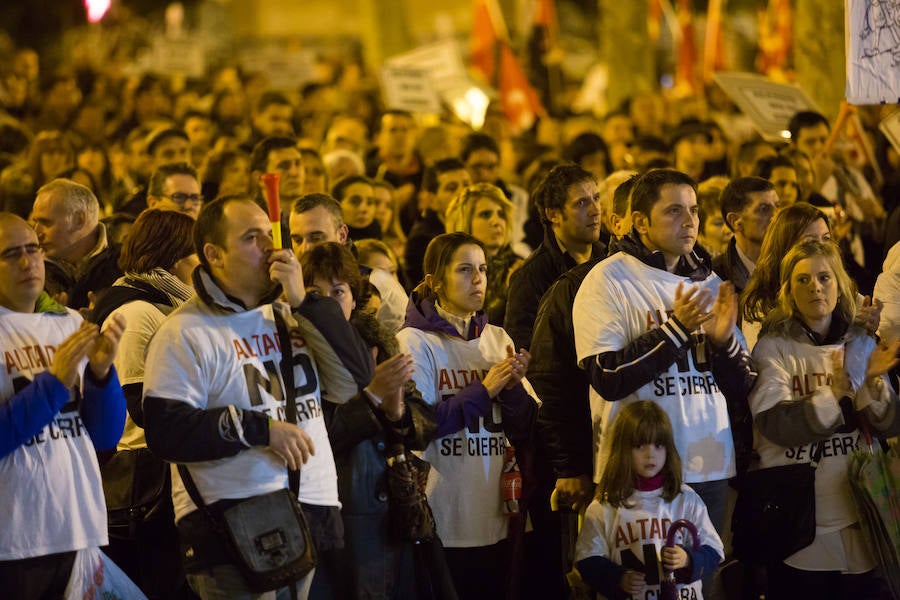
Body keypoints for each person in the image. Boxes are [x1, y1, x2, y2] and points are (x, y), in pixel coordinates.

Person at [141, 194, 374, 600]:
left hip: (313, 508)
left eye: (270, 234)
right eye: (252, 238)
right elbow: (166, 431)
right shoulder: (185, 330)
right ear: (214, 253)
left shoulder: (290, 312)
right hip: (232, 522)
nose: (271, 247)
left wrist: (305, 300)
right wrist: (260, 430)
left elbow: (356, 378)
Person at [572, 169, 755, 563]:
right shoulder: (607, 280)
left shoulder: (710, 282)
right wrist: (675, 330)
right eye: (674, 211)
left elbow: (741, 387)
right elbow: (608, 376)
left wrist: (724, 345)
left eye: (694, 210)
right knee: (639, 585)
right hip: (637, 471)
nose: (689, 221)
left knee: (698, 584)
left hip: (708, 464)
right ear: (640, 221)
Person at [748, 239, 900, 599]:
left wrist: (875, 382)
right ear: (787, 289)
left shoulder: (861, 342)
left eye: (824, 277)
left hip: (862, 514)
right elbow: (775, 426)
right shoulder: (773, 347)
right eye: (802, 280)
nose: (815, 286)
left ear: (840, 283)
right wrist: (832, 393)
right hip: (803, 524)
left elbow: (889, 425)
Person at [396, 232, 539, 600]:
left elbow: (522, 431)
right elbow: (421, 426)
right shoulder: (413, 342)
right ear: (436, 282)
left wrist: (511, 391)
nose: (478, 279)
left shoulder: (497, 337)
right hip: (445, 513)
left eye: (482, 269)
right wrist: (485, 389)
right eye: (464, 269)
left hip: (496, 510)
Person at [299, 242, 444, 599]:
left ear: (353, 295)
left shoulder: (376, 340)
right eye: (315, 293)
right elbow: (317, 436)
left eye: (338, 291)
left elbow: (423, 424)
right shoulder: (296, 350)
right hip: (334, 508)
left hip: (390, 508)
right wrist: (372, 397)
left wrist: (397, 412)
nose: (329, 302)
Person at [0, 212, 128, 599]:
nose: (28, 262)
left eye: (33, 249)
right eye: (11, 254)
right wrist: (54, 382)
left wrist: (102, 375)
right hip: (15, 542)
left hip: (78, 526)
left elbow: (105, 436)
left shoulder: (70, 323)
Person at [90, 209, 199, 600]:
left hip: (165, 468)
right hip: (144, 476)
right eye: (196, 254)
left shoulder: (166, 306)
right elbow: (138, 405)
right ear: (174, 257)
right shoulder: (137, 312)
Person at [575, 401, 724, 599]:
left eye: (658, 445)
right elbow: (587, 560)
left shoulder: (686, 499)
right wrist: (617, 578)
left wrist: (688, 559)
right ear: (623, 449)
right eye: (639, 445)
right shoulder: (604, 506)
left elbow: (714, 550)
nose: (650, 453)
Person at [505, 164, 605, 351]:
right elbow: (522, 348)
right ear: (553, 214)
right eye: (581, 203)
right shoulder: (531, 276)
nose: (595, 210)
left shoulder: (609, 259)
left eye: (596, 198)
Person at [30, 178, 122, 309]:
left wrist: (99, 321)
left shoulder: (123, 265)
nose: (37, 232)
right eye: (35, 222)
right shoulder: (30, 268)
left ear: (79, 220)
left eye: (46, 223)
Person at [444, 182, 524, 326]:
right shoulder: (449, 268)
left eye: (501, 214)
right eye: (485, 215)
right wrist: (508, 294)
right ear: (464, 221)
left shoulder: (520, 266)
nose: (496, 221)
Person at [713, 176, 780, 295]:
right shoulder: (713, 278)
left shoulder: (792, 265)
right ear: (735, 221)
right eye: (764, 209)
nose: (776, 216)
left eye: (778, 206)